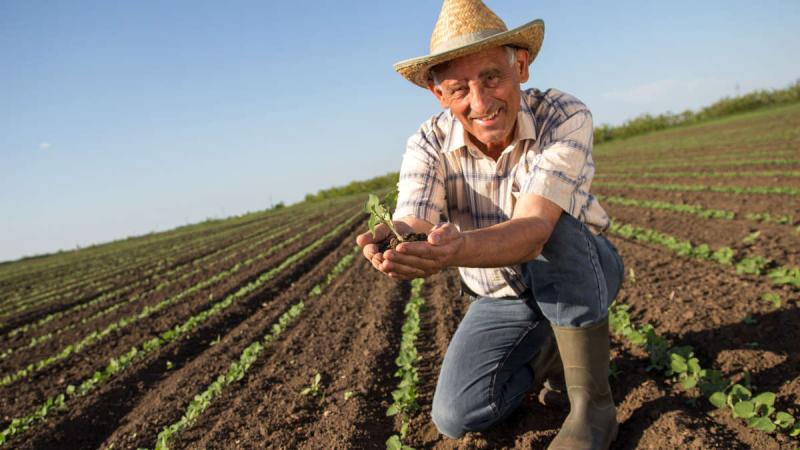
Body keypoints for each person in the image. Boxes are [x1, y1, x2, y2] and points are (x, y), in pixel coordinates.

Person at [355, 1, 624, 449]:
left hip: (581, 274)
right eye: (459, 89)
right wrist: (399, 238)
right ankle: (552, 351)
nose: (480, 103)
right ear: (438, 94)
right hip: (502, 294)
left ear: (520, 66)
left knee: (556, 228)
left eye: (492, 78)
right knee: (457, 415)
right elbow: (416, 214)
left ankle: (592, 408)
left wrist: (456, 249)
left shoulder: (562, 114)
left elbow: (537, 228)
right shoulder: (427, 141)